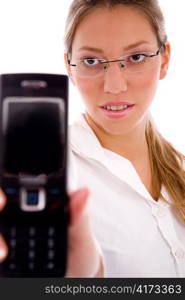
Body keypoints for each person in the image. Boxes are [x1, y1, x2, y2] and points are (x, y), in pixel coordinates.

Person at [0, 0, 185, 277]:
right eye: (91, 61)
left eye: (135, 58)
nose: (114, 86)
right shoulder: (50, 174)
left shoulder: (179, 165)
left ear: (165, 59)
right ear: (69, 66)